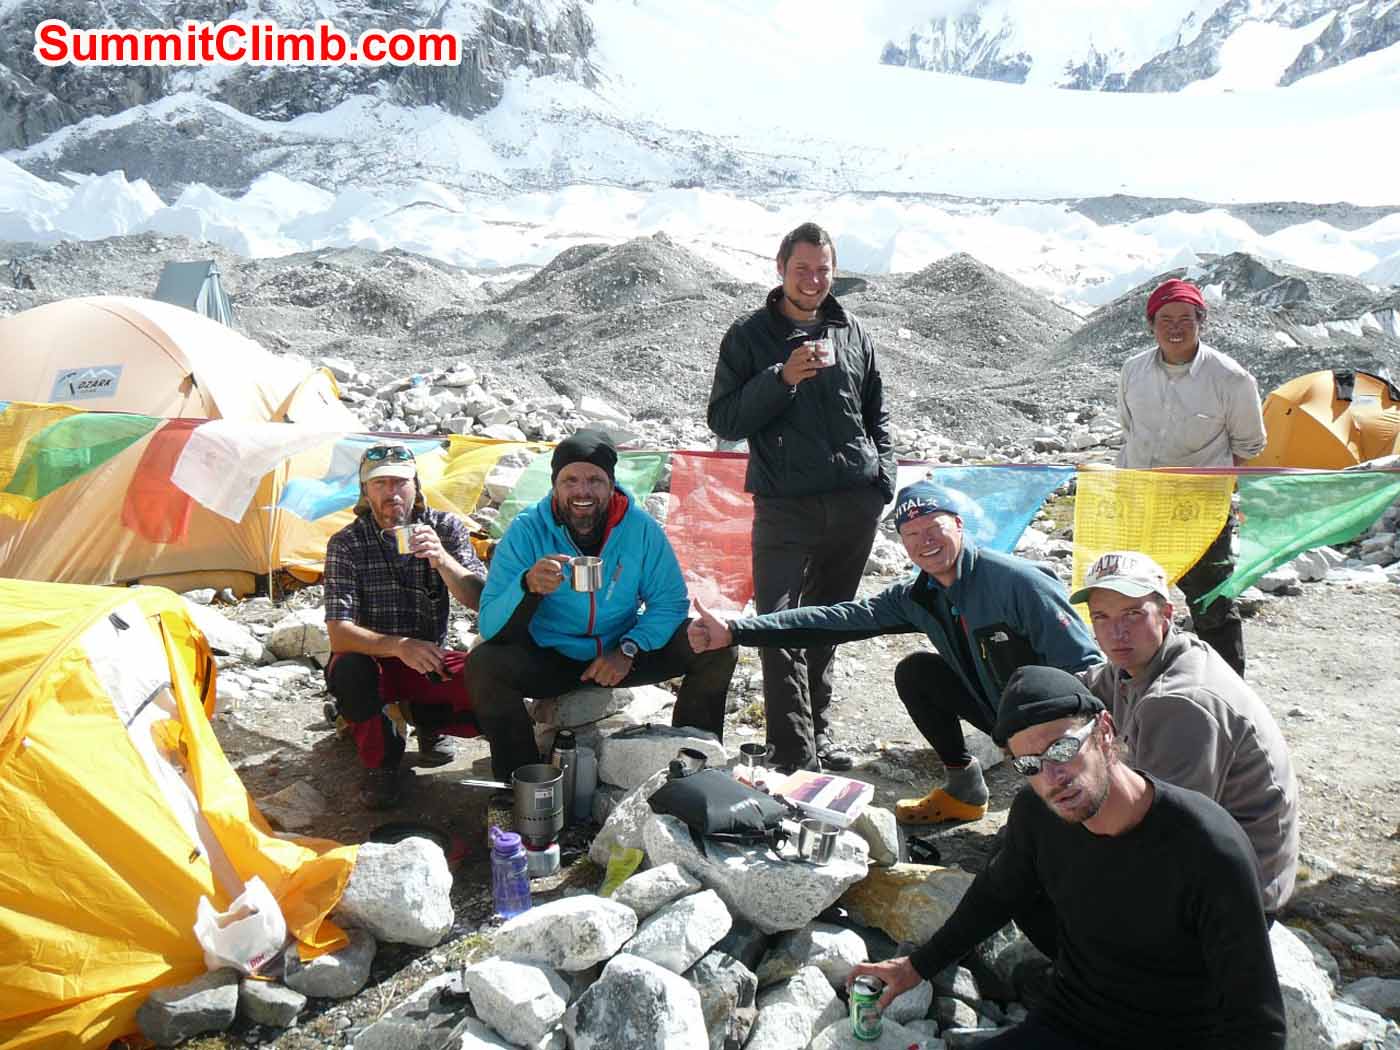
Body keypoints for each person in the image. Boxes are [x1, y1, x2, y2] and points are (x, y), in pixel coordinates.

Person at [847, 665, 1286, 1050]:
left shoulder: (1206, 845)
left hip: (1179, 1035)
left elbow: (1257, 1021)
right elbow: (996, 895)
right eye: (1030, 765)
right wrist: (915, 968)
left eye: (1062, 749)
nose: (1053, 777)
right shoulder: (1037, 815)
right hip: (1072, 1021)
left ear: (1106, 731)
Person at [688, 479, 1100, 823]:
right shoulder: (917, 596)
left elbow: (1086, 671)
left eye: (934, 527)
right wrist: (737, 631)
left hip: (1054, 728)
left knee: (1041, 828)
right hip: (998, 710)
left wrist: (1073, 750)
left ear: (959, 525)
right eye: (912, 534)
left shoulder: (1017, 583)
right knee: (917, 673)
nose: (926, 542)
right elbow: (834, 619)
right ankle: (964, 790)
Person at [707, 221, 895, 773]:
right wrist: (781, 377)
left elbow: (876, 412)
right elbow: (723, 419)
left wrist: (881, 479)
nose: (813, 280)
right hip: (783, 504)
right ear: (780, 268)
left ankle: (818, 729)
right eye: (802, 269)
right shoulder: (748, 335)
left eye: (823, 270)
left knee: (828, 622)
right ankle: (792, 755)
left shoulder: (852, 331)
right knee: (778, 623)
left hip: (853, 503)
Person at [470, 429, 738, 781]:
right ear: (555, 484)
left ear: (612, 485)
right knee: (484, 665)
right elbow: (489, 623)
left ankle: (693, 770)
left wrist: (628, 648)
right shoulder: (526, 531)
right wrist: (527, 586)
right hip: (551, 656)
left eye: (595, 480)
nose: (582, 491)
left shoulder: (639, 529)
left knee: (714, 646)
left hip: (618, 651)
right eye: (570, 480)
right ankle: (521, 785)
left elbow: (669, 603)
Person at [1072, 550, 1299, 913]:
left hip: (1238, 892)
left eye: (1133, 614)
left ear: (1166, 615)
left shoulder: (1180, 702)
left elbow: (1161, 830)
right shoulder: (1136, 661)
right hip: (1210, 853)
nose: (1116, 632)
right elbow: (1077, 690)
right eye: (1102, 617)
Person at [1117, 277, 1267, 675]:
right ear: (1152, 324)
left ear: (1202, 321)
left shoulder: (1231, 379)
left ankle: (1226, 691)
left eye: (1186, 318)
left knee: (1211, 602)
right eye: (1165, 318)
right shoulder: (1133, 371)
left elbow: (1249, 446)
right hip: (1141, 501)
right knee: (1136, 597)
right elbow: (1129, 430)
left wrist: (1219, 497)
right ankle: (1149, 681)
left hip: (1199, 509)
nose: (1175, 326)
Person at [323, 443, 486, 808]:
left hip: (427, 659)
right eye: (379, 484)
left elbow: (482, 601)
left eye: (400, 482)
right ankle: (381, 761)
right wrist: (398, 645)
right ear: (366, 492)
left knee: (488, 685)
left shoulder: (444, 528)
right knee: (350, 671)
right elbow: (339, 632)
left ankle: (423, 722)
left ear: (416, 487)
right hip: (372, 659)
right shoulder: (347, 544)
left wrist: (443, 561)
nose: (391, 493)